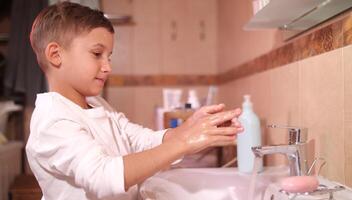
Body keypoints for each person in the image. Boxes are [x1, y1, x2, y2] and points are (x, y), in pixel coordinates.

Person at [26, 2, 243, 200]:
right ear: (55, 54)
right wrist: (182, 143)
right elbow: (102, 177)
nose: (107, 67)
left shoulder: (97, 104)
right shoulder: (53, 121)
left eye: (108, 57)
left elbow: (139, 140)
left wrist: (188, 130)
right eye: (96, 54)